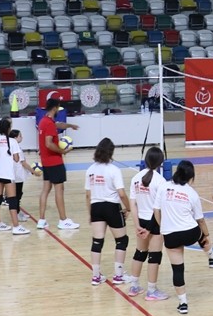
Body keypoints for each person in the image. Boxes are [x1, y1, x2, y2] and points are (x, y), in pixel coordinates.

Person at [155, 160, 213, 315]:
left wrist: (163, 227)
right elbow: (200, 220)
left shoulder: (164, 187)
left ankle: (183, 303)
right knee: (201, 233)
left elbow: (156, 211)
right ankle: (211, 256)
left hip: (170, 236)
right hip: (189, 233)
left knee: (178, 270)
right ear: (191, 177)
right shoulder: (192, 193)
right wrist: (206, 235)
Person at [84, 138, 130, 286]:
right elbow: (122, 193)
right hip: (111, 207)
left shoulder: (90, 170)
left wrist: (90, 213)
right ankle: (118, 275)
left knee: (97, 241)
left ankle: (96, 276)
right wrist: (128, 208)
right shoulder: (114, 170)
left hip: (96, 206)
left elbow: (87, 194)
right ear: (111, 152)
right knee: (122, 240)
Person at [126, 146, 170, 301]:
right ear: (161, 162)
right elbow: (158, 209)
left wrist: (137, 225)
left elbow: (133, 204)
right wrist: (151, 228)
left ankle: (134, 286)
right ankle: (151, 291)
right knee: (155, 256)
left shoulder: (135, 178)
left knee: (140, 252)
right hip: (155, 222)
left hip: (141, 220)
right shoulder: (161, 181)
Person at [36, 97, 80, 231]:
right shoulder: (48, 123)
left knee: (45, 190)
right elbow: (48, 143)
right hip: (55, 161)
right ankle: (63, 220)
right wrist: (62, 151)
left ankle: (41, 220)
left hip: (46, 162)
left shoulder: (44, 121)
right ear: (55, 108)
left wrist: (70, 126)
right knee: (59, 190)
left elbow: (58, 125)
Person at [0, 118, 32, 235]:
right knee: (12, 199)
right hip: (8, 174)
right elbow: (17, 159)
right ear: (8, 129)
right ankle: (16, 226)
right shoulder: (12, 142)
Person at [8, 129, 35, 224]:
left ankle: (18, 211)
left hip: (14, 175)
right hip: (17, 176)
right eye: (20, 136)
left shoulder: (12, 146)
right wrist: (33, 171)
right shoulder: (16, 148)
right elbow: (23, 163)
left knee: (17, 194)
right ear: (15, 138)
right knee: (17, 195)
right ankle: (17, 213)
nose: (22, 137)